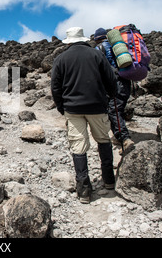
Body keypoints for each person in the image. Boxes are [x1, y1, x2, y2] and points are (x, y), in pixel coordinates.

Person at [51, 27, 118, 204]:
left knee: (78, 147)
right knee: (103, 139)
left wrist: (61, 107)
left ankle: (84, 192)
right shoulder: (97, 55)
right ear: (83, 39)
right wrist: (110, 96)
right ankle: (109, 180)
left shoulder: (61, 59)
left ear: (69, 41)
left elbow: (55, 87)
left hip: (73, 109)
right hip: (97, 106)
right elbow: (110, 79)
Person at [94, 28, 135, 155]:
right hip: (125, 81)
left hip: (113, 82)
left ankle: (125, 140)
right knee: (116, 110)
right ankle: (118, 137)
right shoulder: (117, 47)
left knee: (114, 110)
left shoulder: (100, 48)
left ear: (96, 39)